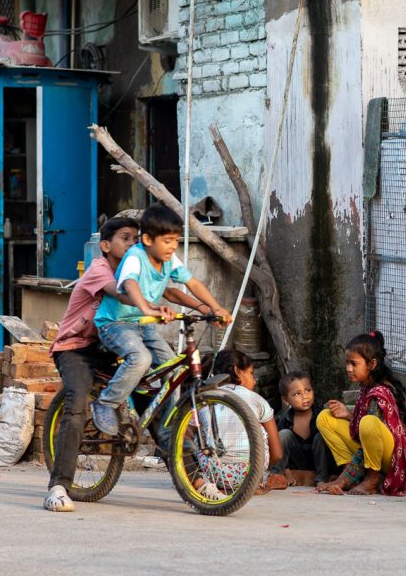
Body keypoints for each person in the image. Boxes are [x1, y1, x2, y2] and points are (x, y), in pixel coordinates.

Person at [92, 203, 231, 450]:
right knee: (141, 358)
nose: (173, 246)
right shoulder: (135, 256)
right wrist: (146, 308)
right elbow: (131, 283)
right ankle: (106, 402)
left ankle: (167, 433)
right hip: (116, 324)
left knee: (175, 372)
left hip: (144, 327)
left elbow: (192, 283)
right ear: (147, 239)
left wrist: (213, 308)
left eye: (176, 240)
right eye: (167, 241)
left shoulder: (168, 260)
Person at [44, 216, 140, 513]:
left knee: (159, 390)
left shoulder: (135, 270)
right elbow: (123, 294)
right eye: (126, 238)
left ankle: (196, 480)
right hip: (76, 349)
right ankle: (58, 486)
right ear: (106, 245)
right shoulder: (100, 269)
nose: (133, 243)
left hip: (109, 346)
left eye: (136, 239)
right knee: (77, 404)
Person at [315, 332, 406, 496]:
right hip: (376, 447)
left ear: (371, 364)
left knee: (368, 423)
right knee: (325, 417)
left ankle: (372, 478)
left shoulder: (380, 392)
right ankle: (350, 471)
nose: (349, 369)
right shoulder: (366, 386)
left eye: (354, 364)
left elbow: (370, 430)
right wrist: (349, 415)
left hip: (396, 459)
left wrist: (342, 481)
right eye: (347, 363)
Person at [199, 348, 287, 495]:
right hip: (251, 475)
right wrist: (259, 470)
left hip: (216, 474)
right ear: (237, 371)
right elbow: (277, 453)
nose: (255, 380)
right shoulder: (258, 400)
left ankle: (205, 483)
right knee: (258, 428)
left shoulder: (204, 399)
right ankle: (255, 480)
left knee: (197, 435)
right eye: (251, 373)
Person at [271, 370, 336, 485]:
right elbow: (278, 450)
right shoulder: (285, 420)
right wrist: (288, 474)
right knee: (283, 435)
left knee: (321, 436)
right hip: (296, 462)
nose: (305, 396)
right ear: (286, 400)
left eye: (308, 390)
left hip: (321, 464)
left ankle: (321, 479)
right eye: (297, 394)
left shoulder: (321, 416)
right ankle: (276, 475)